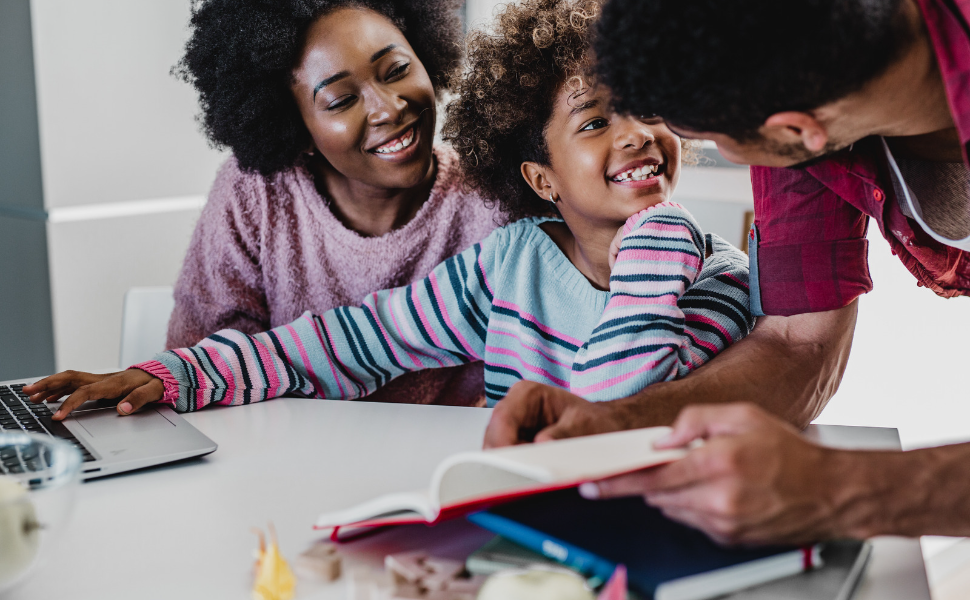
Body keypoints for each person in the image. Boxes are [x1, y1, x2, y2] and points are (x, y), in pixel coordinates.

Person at [24, 0, 753, 419]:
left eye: (645, 108)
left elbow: (614, 407)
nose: (633, 132)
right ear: (542, 178)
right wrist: (173, 373)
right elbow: (349, 340)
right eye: (594, 121)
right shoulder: (509, 265)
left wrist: (654, 240)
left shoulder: (716, 276)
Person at [488, 0, 970, 545]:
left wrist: (840, 488)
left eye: (715, 140)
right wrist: (618, 421)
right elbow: (797, 342)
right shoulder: (788, 85)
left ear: (797, 129)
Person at [166, 0, 500, 407]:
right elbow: (202, 363)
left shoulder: (493, 195)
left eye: (396, 71)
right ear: (297, 129)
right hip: (284, 453)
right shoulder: (257, 195)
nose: (389, 108)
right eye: (341, 100)